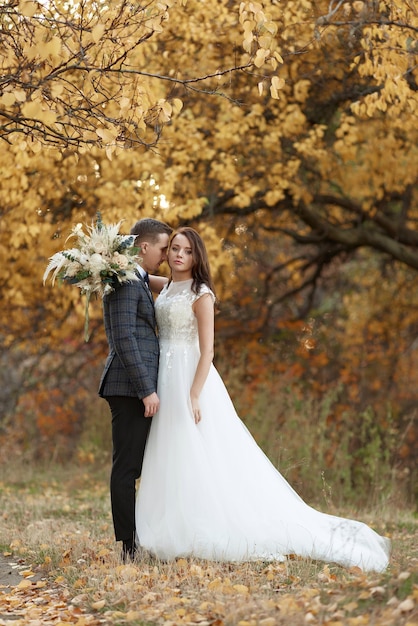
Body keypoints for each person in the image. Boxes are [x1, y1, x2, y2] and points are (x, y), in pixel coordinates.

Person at [135, 226, 391, 572]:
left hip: (189, 376)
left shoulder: (201, 293)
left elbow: (208, 351)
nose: (179, 255)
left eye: (187, 251)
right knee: (169, 449)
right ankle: (169, 523)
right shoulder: (165, 287)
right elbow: (137, 274)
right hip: (164, 376)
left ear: (197, 256)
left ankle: (204, 525)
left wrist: (194, 394)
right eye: (175, 249)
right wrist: (107, 263)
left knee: (195, 447)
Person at [99, 218, 172, 562]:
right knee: (127, 467)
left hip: (132, 385)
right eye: (162, 248)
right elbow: (126, 339)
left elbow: (165, 282)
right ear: (144, 247)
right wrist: (146, 390)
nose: (165, 255)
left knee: (134, 465)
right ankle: (128, 547)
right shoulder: (127, 281)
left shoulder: (136, 277)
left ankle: (134, 539)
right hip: (129, 386)